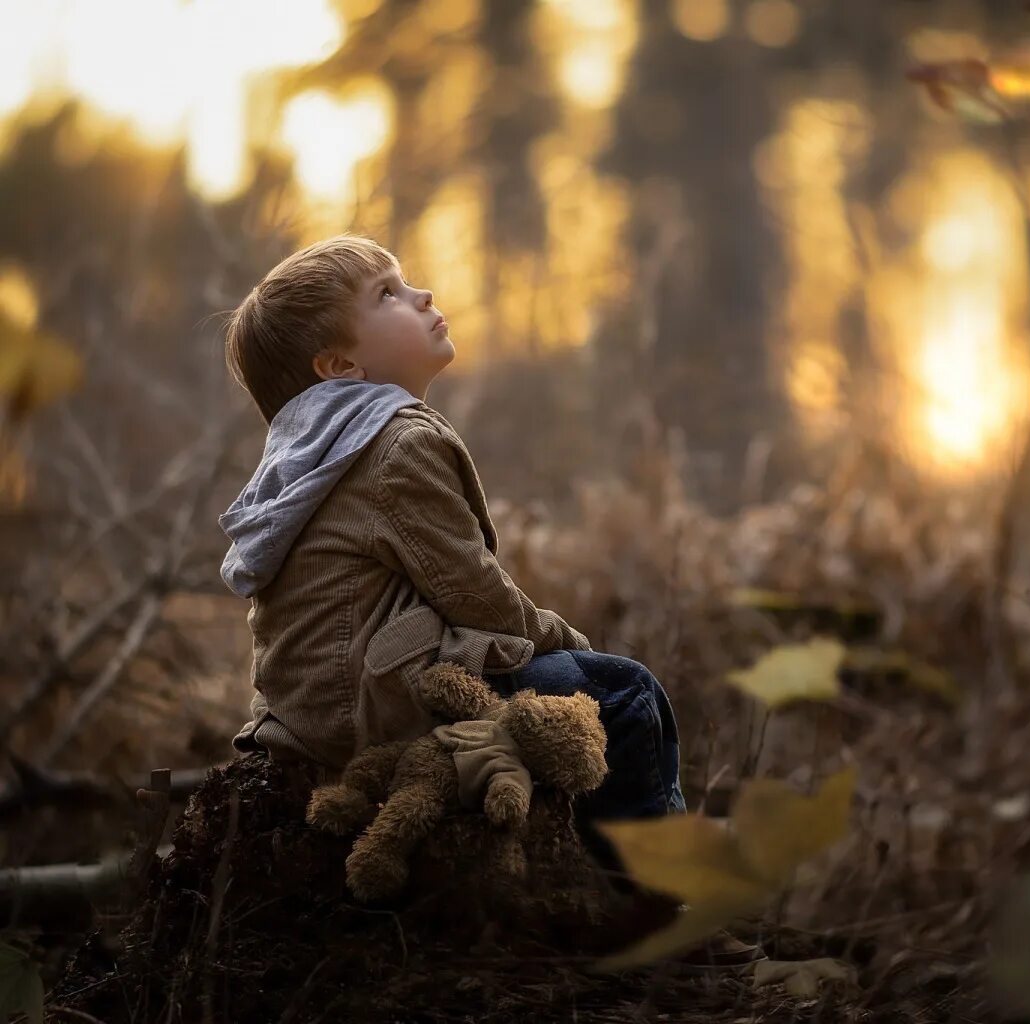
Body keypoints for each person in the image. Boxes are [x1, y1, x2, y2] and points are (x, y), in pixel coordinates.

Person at [217, 235, 763, 968]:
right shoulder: (393, 445)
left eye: (405, 281)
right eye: (387, 294)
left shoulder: (309, 448)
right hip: (376, 703)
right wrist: (560, 636)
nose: (422, 296)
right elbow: (472, 589)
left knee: (580, 687)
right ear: (340, 366)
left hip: (315, 706)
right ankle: (656, 908)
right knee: (624, 693)